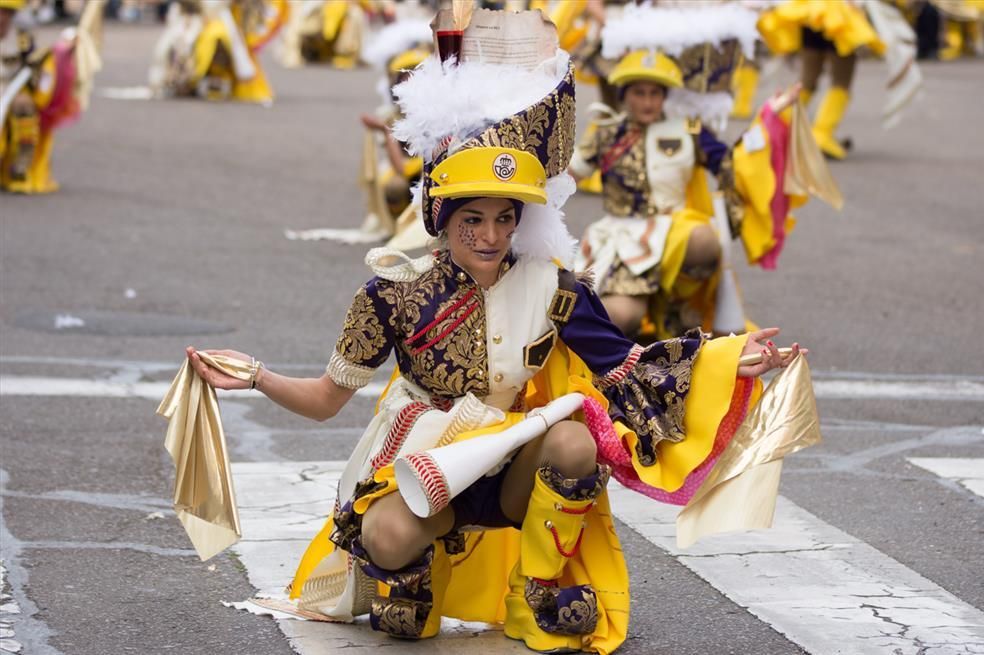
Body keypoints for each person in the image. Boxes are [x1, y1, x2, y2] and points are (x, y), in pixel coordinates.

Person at [188, 9, 804, 654]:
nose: (489, 236)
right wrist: (254, 376)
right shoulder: (389, 295)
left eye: (505, 219)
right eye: (472, 219)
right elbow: (323, 401)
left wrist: (726, 361)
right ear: (443, 219)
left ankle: (534, 588)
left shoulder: (554, 288)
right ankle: (415, 572)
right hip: (422, 462)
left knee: (573, 439)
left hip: (513, 460)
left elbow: (628, 365)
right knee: (387, 539)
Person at [570, 2, 831, 342]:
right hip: (620, 240)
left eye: (654, 93)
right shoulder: (606, 133)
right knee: (619, 319)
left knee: (704, 241)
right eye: (638, 93)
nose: (647, 101)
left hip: (673, 233)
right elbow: (567, 177)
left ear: (665, 96)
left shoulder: (688, 129)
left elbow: (732, 164)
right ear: (625, 95)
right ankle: (641, 328)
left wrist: (768, 120)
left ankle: (682, 308)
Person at [757, 0, 886, 160]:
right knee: (841, 82)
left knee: (807, 81)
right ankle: (821, 134)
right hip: (838, 15)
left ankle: (775, 126)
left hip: (810, 13)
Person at [0, 0, 102, 193]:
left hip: (9, 89)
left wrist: (64, 54)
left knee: (24, 105)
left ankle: (21, 163)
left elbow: (38, 70)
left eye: (6, 13)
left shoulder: (22, 40)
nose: (2, 17)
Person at [148, 0, 286, 104]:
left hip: (223, 23)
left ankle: (217, 79)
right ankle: (185, 81)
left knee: (220, 38)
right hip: (194, 21)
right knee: (175, 49)